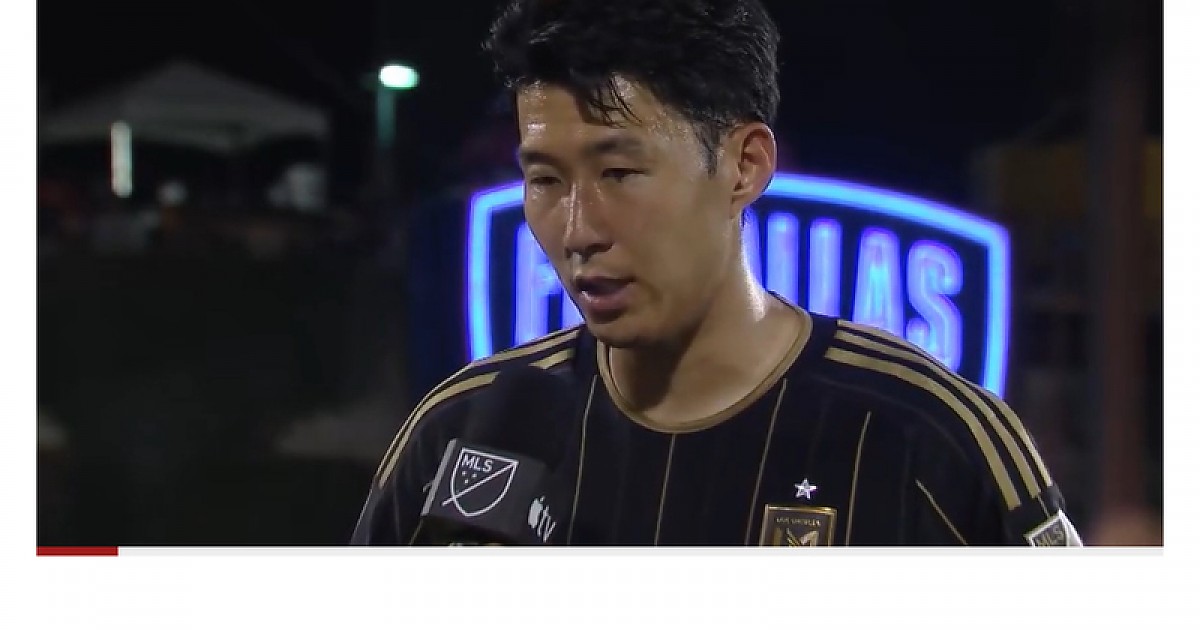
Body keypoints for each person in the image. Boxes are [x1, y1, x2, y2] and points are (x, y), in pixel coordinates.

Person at [352, 0, 1081, 546]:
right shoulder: (460, 436)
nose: (577, 231)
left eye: (620, 173)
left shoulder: (932, 439)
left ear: (744, 165)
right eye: (544, 180)